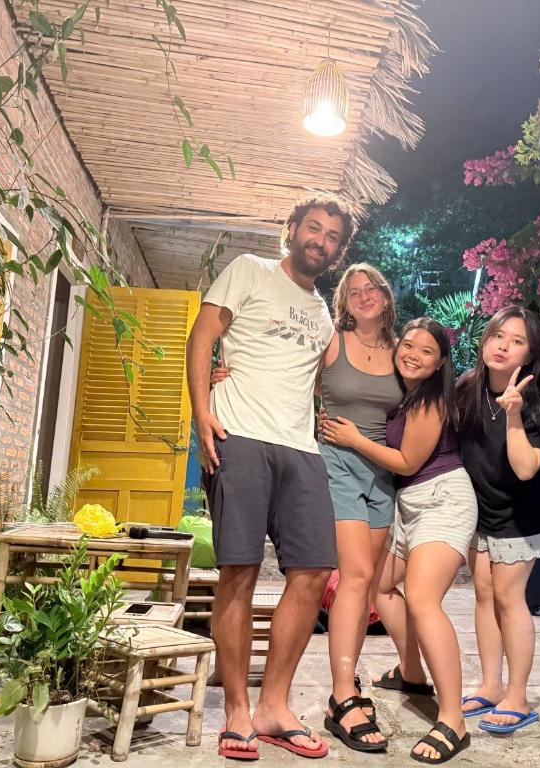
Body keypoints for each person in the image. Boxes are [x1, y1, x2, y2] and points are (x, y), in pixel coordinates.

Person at [186, 193, 356, 761]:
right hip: (240, 435)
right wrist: (202, 408)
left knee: (313, 571)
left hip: (300, 447)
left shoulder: (324, 312)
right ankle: (237, 709)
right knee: (239, 568)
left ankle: (274, 705)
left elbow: (327, 375)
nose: (321, 241)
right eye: (314, 228)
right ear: (292, 229)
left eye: (333, 236)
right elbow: (201, 337)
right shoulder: (249, 270)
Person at [213, 263, 402, 753]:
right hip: (319, 454)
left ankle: (276, 706)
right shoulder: (329, 336)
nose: (364, 295)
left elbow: (424, 390)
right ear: (343, 301)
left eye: (372, 287)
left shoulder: (400, 350)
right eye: (353, 290)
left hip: (366, 470)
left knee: (327, 574)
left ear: (387, 295)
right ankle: (250, 708)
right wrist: (221, 378)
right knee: (250, 569)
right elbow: (284, 362)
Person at [321, 318, 475, 765]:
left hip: (442, 498)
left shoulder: (431, 400)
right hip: (407, 502)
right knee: (379, 586)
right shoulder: (400, 392)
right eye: (408, 344)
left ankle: (453, 719)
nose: (413, 354)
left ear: (440, 361)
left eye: (426, 350)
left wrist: (352, 438)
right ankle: (411, 671)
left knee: (423, 599)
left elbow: (407, 460)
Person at [455, 305, 540, 734]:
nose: (503, 346)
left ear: (530, 355)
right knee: (483, 594)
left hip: (522, 516)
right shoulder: (469, 387)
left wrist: (515, 412)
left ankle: (517, 693)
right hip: (480, 512)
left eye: (517, 341)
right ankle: (490, 683)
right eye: (498, 335)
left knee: (508, 596)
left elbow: (524, 468)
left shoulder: (536, 400)